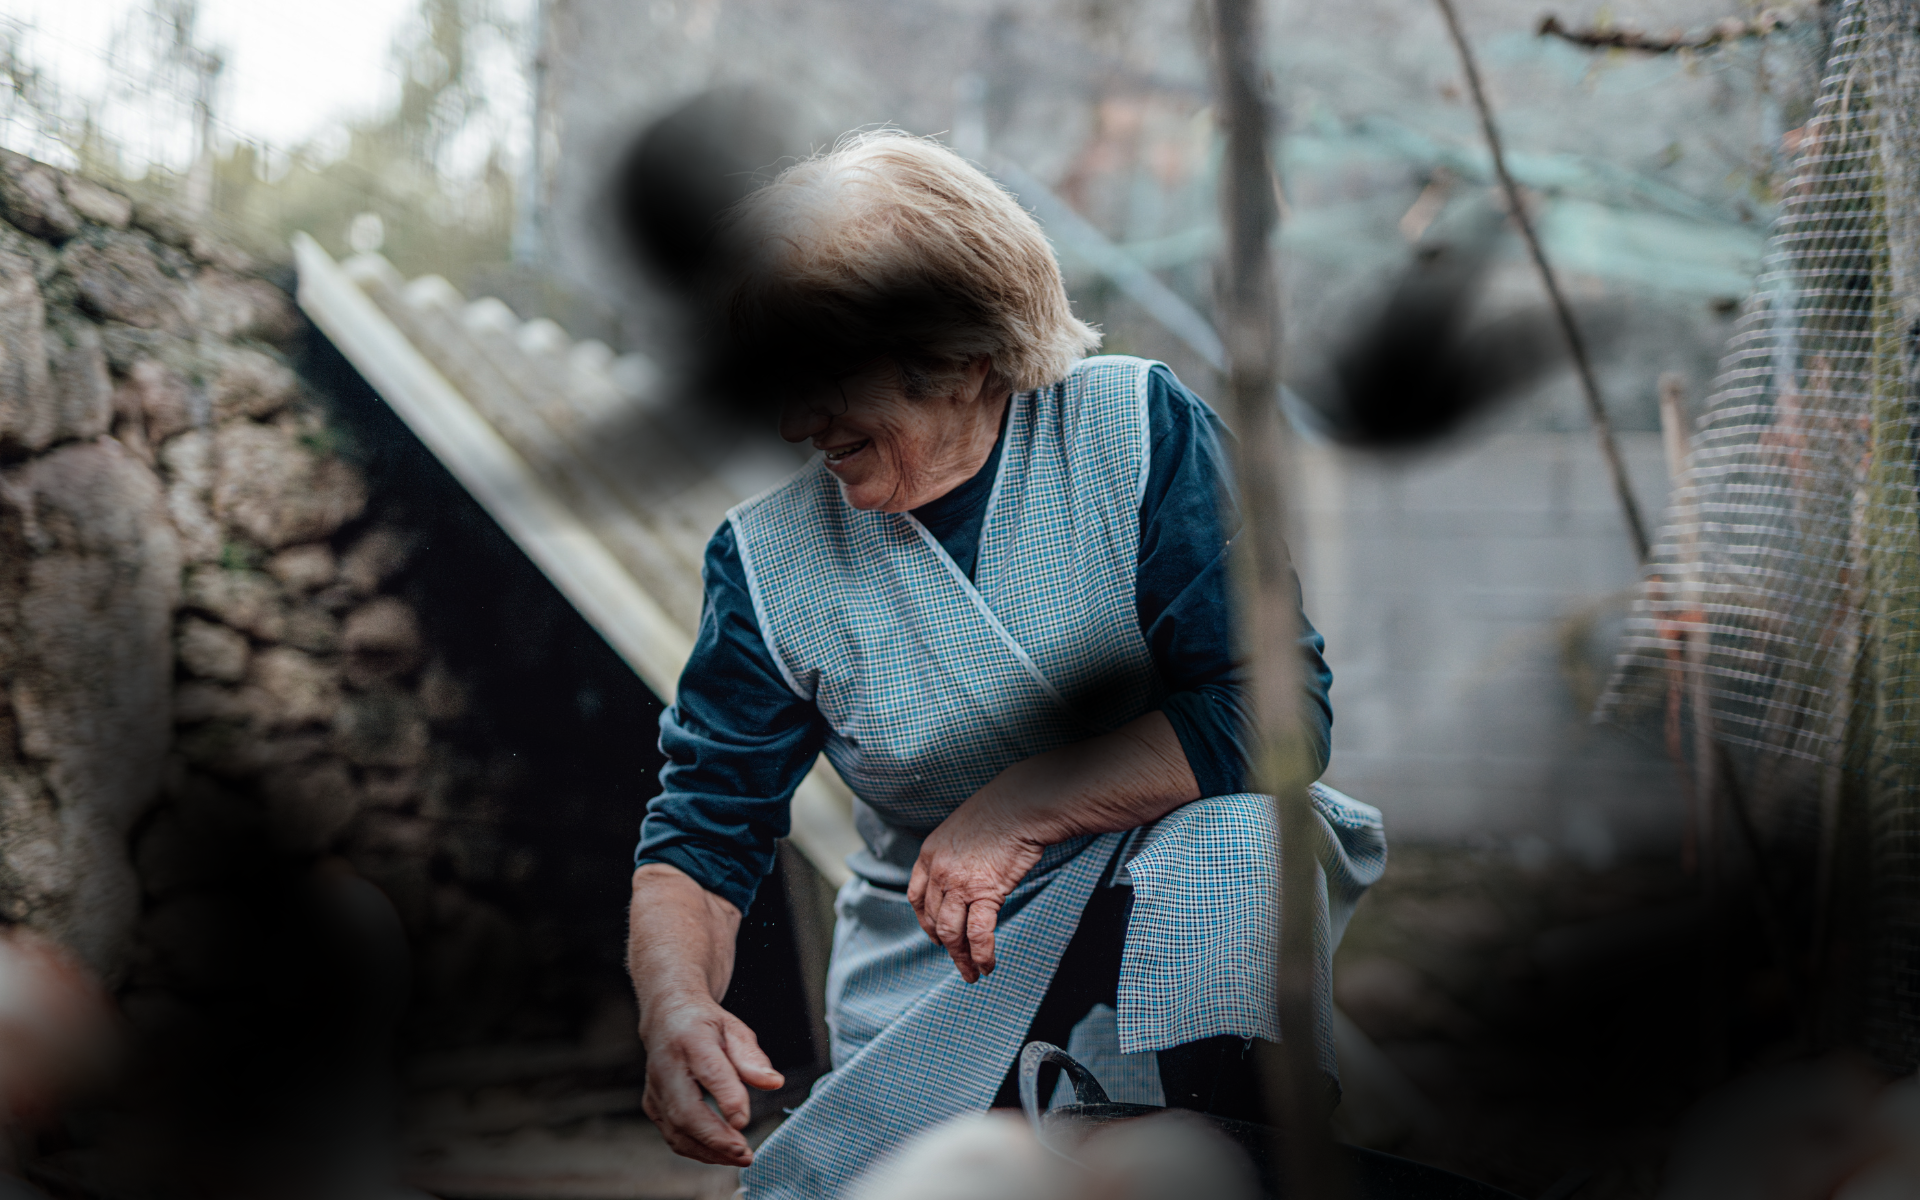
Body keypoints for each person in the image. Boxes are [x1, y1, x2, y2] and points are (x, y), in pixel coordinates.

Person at [625, 129, 1385, 1199]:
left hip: (1180, 931)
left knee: (1240, 828)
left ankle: (1239, 1150)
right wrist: (675, 1009)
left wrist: (1023, 804)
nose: (796, 423)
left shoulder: (1135, 430)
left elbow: (1277, 713)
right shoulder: (766, 563)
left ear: (962, 347)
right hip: (945, 965)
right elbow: (701, 835)